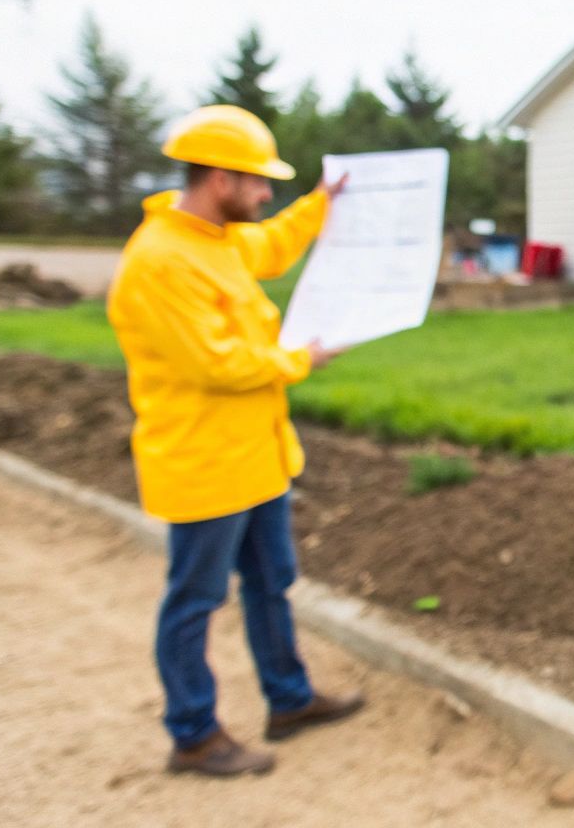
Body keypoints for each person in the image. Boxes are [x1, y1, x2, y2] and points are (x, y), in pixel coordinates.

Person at [108, 105, 365, 777]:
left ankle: (289, 699)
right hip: (203, 462)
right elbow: (216, 364)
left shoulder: (216, 240)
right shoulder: (162, 261)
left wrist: (319, 203)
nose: (264, 195)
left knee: (270, 582)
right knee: (194, 600)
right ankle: (193, 735)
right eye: (258, 183)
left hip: (255, 457)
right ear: (221, 179)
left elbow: (274, 245)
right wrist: (301, 358)